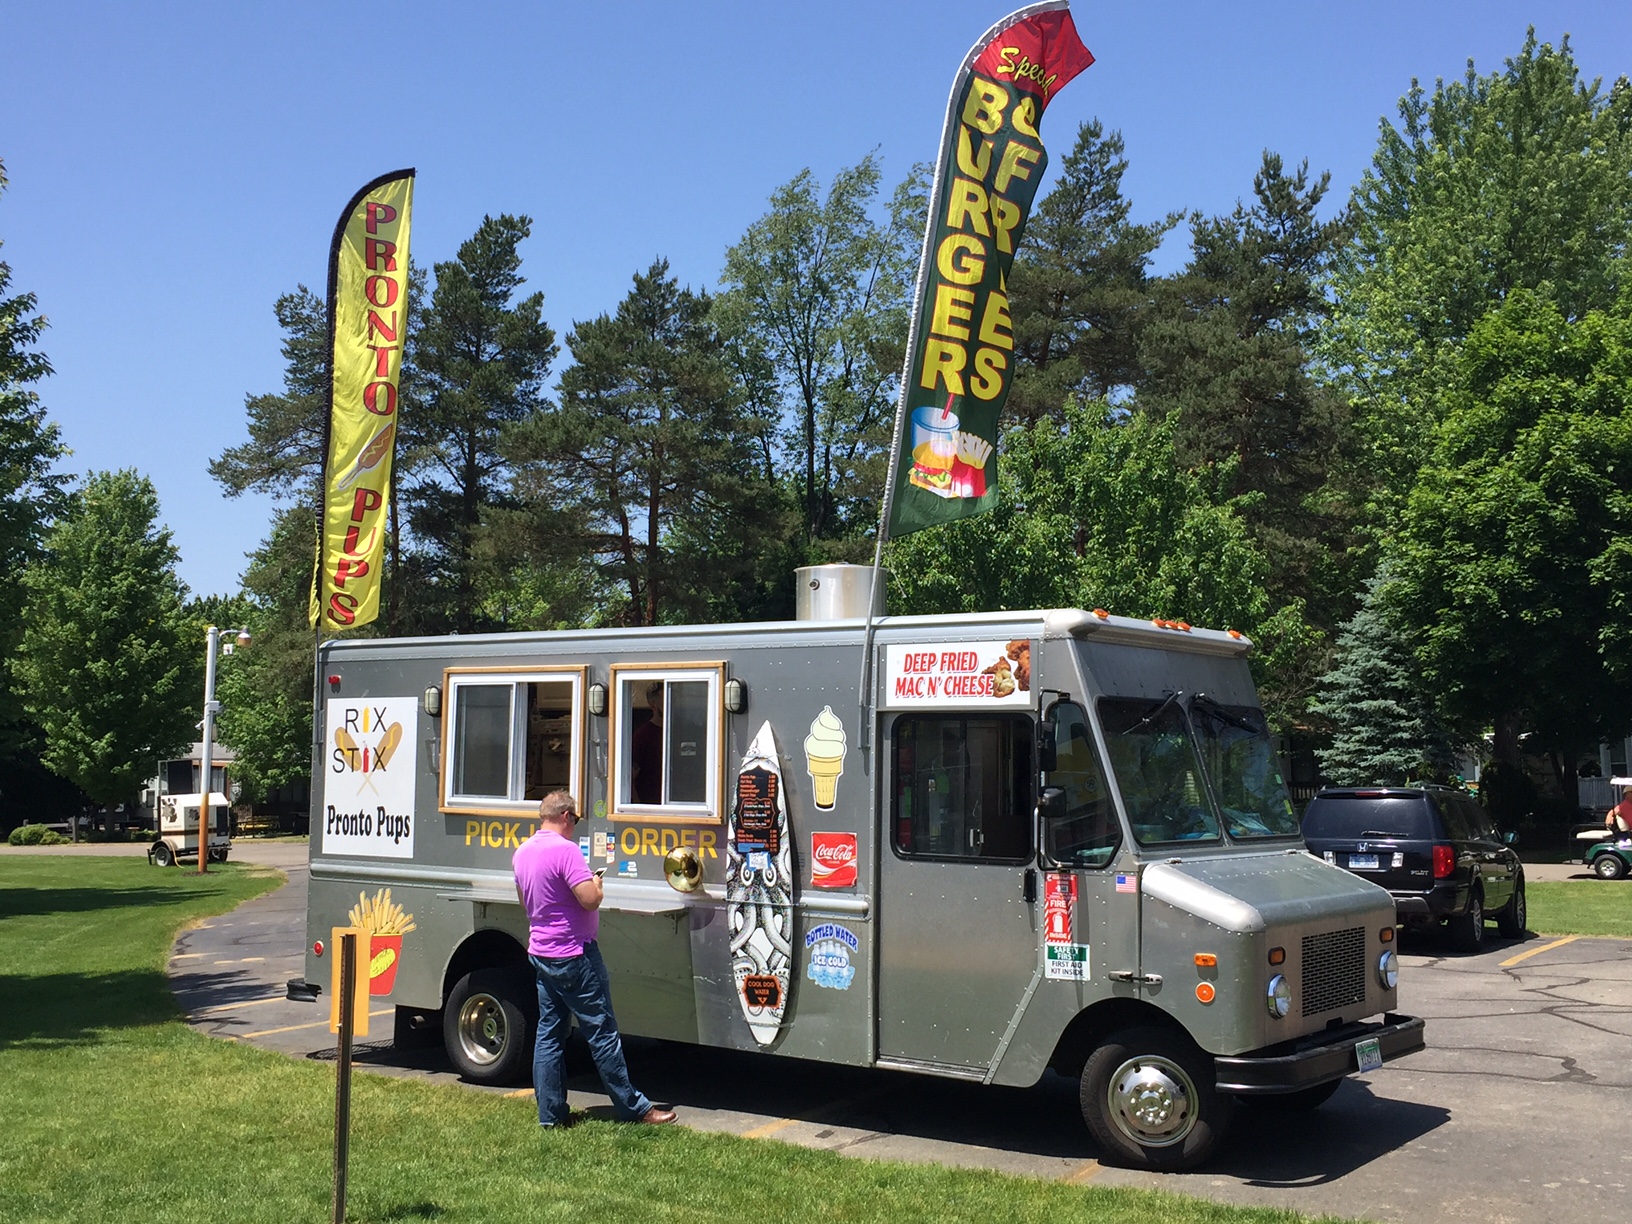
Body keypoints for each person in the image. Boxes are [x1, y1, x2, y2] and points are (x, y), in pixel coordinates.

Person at [512, 790, 675, 1128]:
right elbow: (588, 900)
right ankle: (633, 1107)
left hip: (542, 952)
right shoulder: (566, 850)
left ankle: (550, 1115)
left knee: (550, 1034)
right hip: (575, 953)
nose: (574, 826)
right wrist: (597, 884)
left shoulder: (523, 852)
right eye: (575, 820)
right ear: (567, 816)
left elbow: (526, 900)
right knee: (602, 1033)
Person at [630, 681, 664, 804]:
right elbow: (630, 778)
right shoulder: (641, 737)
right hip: (651, 808)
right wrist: (638, 807)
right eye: (664, 700)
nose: (669, 704)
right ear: (653, 705)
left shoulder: (680, 732)